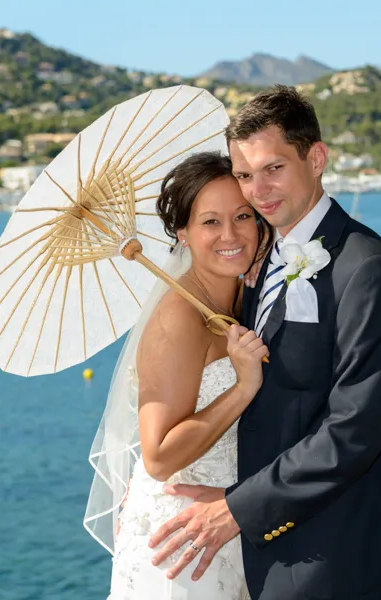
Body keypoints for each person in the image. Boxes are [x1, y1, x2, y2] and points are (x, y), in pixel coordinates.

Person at [147, 86, 381, 599]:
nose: (257, 191)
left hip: (338, 557)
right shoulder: (261, 256)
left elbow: (354, 430)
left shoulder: (366, 267)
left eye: (273, 168)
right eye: (245, 175)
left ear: (316, 158)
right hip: (270, 553)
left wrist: (236, 508)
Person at [84, 151, 274, 599]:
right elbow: (159, 455)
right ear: (183, 233)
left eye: (242, 216)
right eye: (210, 222)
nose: (230, 234)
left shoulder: (240, 301)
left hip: (228, 520)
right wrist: (244, 387)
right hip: (183, 542)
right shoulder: (178, 319)